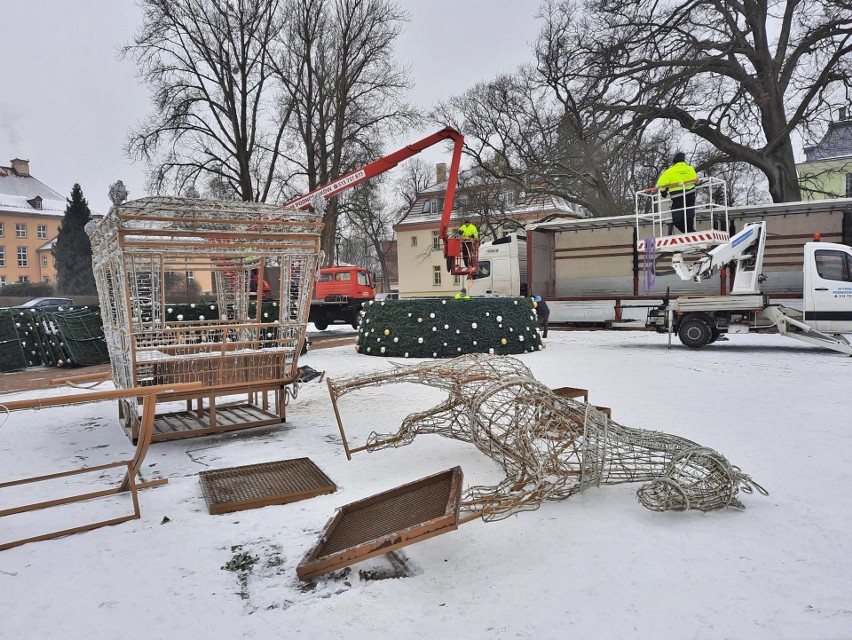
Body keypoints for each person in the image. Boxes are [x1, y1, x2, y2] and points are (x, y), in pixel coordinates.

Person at [657, 152, 697, 234]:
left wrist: (663, 192)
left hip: (678, 197)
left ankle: (690, 233)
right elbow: (695, 179)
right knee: (689, 217)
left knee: (677, 220)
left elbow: (661, 183)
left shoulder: (670, 171)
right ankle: (691, 232)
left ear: (674, 162)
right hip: (690, 196)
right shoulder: (690, 169)